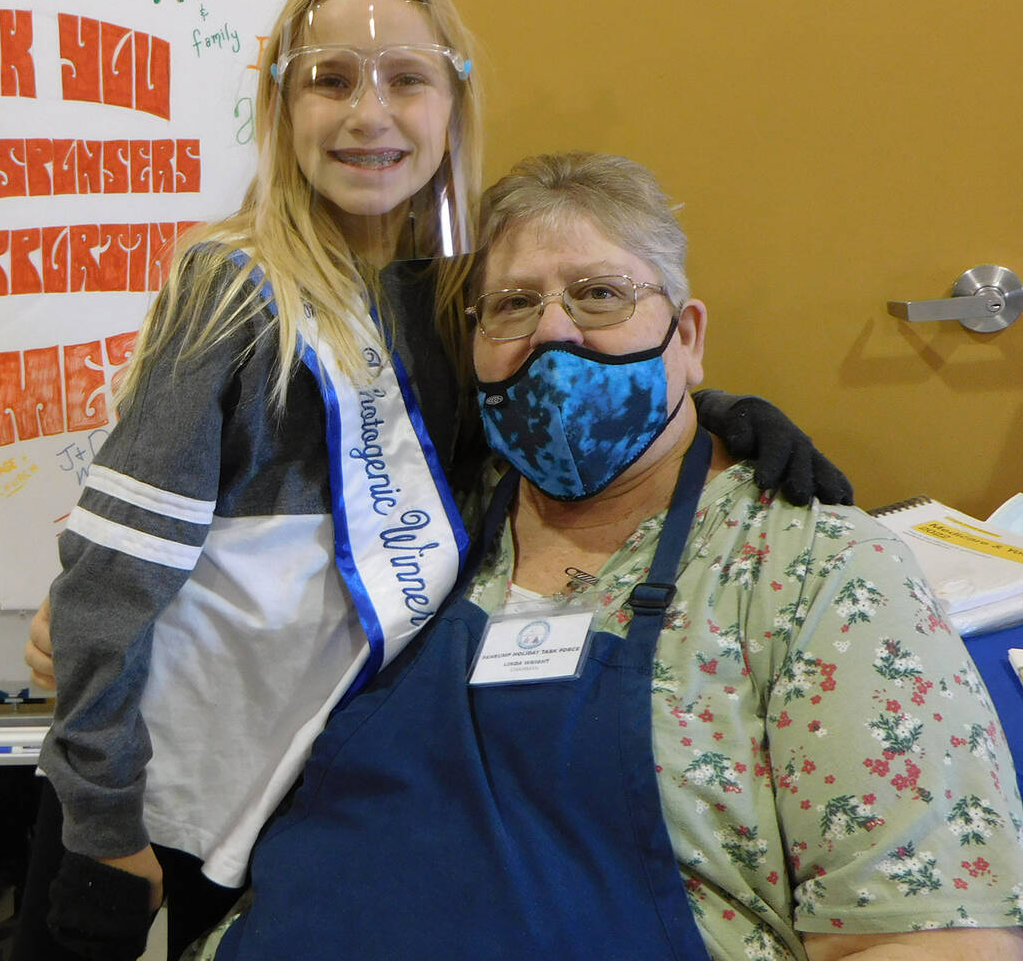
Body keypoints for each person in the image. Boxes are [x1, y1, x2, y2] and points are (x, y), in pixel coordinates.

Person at [16, 0, 852, 960]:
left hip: (312, 782)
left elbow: (556, 402)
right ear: (280, 106)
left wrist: (721, 413)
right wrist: (102, 823)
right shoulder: (232, 293)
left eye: (406, 79)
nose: (369, 113)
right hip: (160, 789)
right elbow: (113, 574)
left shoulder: (457, 296)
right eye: (330, 80)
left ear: (453, 103)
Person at [191, 152, 1023, 961]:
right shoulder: (424, 521)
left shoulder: (814, 568)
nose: (553, 331)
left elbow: (938, 939)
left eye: (599, 294)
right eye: (513, 304)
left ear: (687, 336)